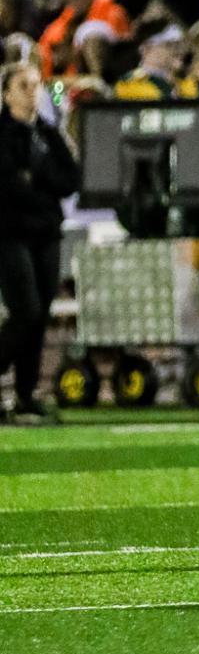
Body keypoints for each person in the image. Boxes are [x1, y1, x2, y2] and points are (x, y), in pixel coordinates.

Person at [0, 59, 79, 422]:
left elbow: (70, 178)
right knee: (25, 310)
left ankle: (26, 394)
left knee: (39, 314)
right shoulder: (4, 133)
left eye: (36, 85)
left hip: (46, 232)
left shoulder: (47, 133)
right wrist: (36, 185)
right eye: (24, 86)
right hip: (11, 232)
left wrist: (36, 177)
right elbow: (9, 186)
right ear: (6, 94)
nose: (34, 93)